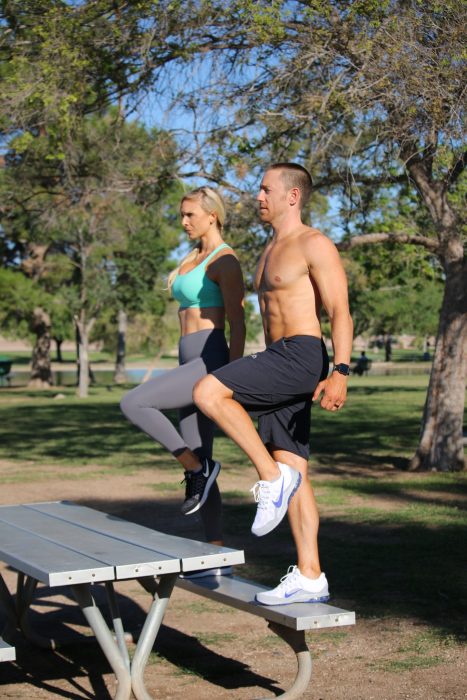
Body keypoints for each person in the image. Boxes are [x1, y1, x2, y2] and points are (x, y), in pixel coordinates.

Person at [193, 163, 353, 604]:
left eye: (266, 190)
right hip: (277, 354)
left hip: (301, 355)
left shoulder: (314, 243)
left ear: (292, 196)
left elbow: (340, 310)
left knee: (208, 392)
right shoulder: (267, 251)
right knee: (295, 469)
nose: (258, 196)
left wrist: (339, 371)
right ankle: (310, 575)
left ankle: (268, 477)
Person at [120, 186, 245, 562]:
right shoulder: (193, 256)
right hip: (186, 359)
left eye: (190, 214)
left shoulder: (225, 261)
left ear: (213, 215)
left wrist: (233, 379)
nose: (184, 221)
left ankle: (193, 467)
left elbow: (238, 325)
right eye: (182, 215)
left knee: (134, 401)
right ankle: (216, 553)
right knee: (204, 460)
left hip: (209, 359)